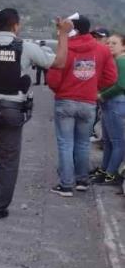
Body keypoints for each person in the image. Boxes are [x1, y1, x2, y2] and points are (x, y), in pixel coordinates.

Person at [0, 8, 72, 219]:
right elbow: (60, 63)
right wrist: (62, 34)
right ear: (16, 26)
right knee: (8, 160)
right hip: (12, 111)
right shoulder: (26, 47)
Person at [46, 15, 117, 196]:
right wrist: (93, 86)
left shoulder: (65, 48)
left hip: (65, 101)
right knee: (83, 143)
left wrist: (62, 90)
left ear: (72, 29)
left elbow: (53, 79)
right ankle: (82, 180)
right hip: (88, 102)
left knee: (65, 143)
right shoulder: (102, 50)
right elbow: (111, 78)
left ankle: (66, 184)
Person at [90, 33, 125, 185]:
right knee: (108, 142)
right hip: (109, 104)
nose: (110, 45)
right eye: (109, 42)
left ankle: (111, 174)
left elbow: (121, 85)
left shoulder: (121, 61)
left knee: (117, 142)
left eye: (114, 43)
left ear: (123, 46)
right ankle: (104, 171)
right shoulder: (115, 60)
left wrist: (101, 95)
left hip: (115, 103)